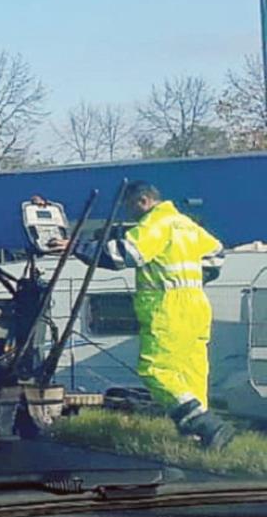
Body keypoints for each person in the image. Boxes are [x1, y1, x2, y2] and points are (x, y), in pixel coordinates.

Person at [49, 181, 232, 449]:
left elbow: (124, 254)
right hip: (196, 304)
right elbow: (217, 254)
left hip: (166, 306)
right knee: (190, 372)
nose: (127, 213)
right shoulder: (185, 224)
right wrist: (189, 279)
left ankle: (207, 425)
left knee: (155, 369)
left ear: (142, 201)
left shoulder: (155, 224)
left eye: (128, 206)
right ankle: (202, 439)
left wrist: (76, 247)